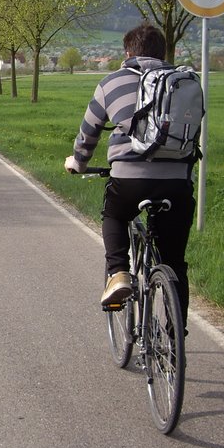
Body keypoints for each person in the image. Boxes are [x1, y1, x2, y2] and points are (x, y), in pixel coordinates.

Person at [64, 22, 196, 324]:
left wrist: (78, 163)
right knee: (175, 263)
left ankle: (118, 273)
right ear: (163, 52)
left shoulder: (111, 83)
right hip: (177, 183)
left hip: (129, 180)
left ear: (128, 52)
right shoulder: (185, 83)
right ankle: (175, 344)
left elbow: (88, 133)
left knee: (113, 214)